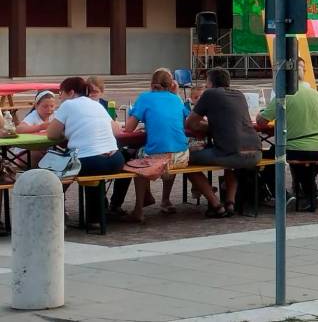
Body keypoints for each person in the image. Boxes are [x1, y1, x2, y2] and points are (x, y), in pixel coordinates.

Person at [185, 68, 263, 218]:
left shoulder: (210, 94)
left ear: (211, 83)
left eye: (207, 82)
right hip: (256, 151)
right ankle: (230, 202)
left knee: (186, 162)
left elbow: (191, 123)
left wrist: (208, 127)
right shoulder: (239, 95)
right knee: (231, 164)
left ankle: (215, 204)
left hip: (232, 152)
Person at [45, 77, 124, 224]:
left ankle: (50, 210)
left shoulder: (68, 105)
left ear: (71, 92)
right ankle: (94, 218)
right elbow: (116, 130)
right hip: (115, 160)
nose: (59, 97)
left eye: (61, 92)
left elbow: (51, 134)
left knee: (55, 167)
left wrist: (66, 132)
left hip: (91, 162)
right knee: (87, 161)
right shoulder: (97, 104)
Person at [256, 60, 318, 212]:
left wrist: (261, 112)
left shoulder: (285, 94)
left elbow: (261, 122)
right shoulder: (315, 93)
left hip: (298, 146)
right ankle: (310, 194)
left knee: (269, 158)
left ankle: (283, 195)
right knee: (299, 158)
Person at [120, 69, 190, 223]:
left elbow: (129, 128)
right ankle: (165, 200)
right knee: (170, 149)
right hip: (181, 156)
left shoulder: (145, 98)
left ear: (151, 84)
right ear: (172, 84)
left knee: (137, 160)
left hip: (158, 160)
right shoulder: (176, 99)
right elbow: (183, 124)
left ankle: (139, 208)